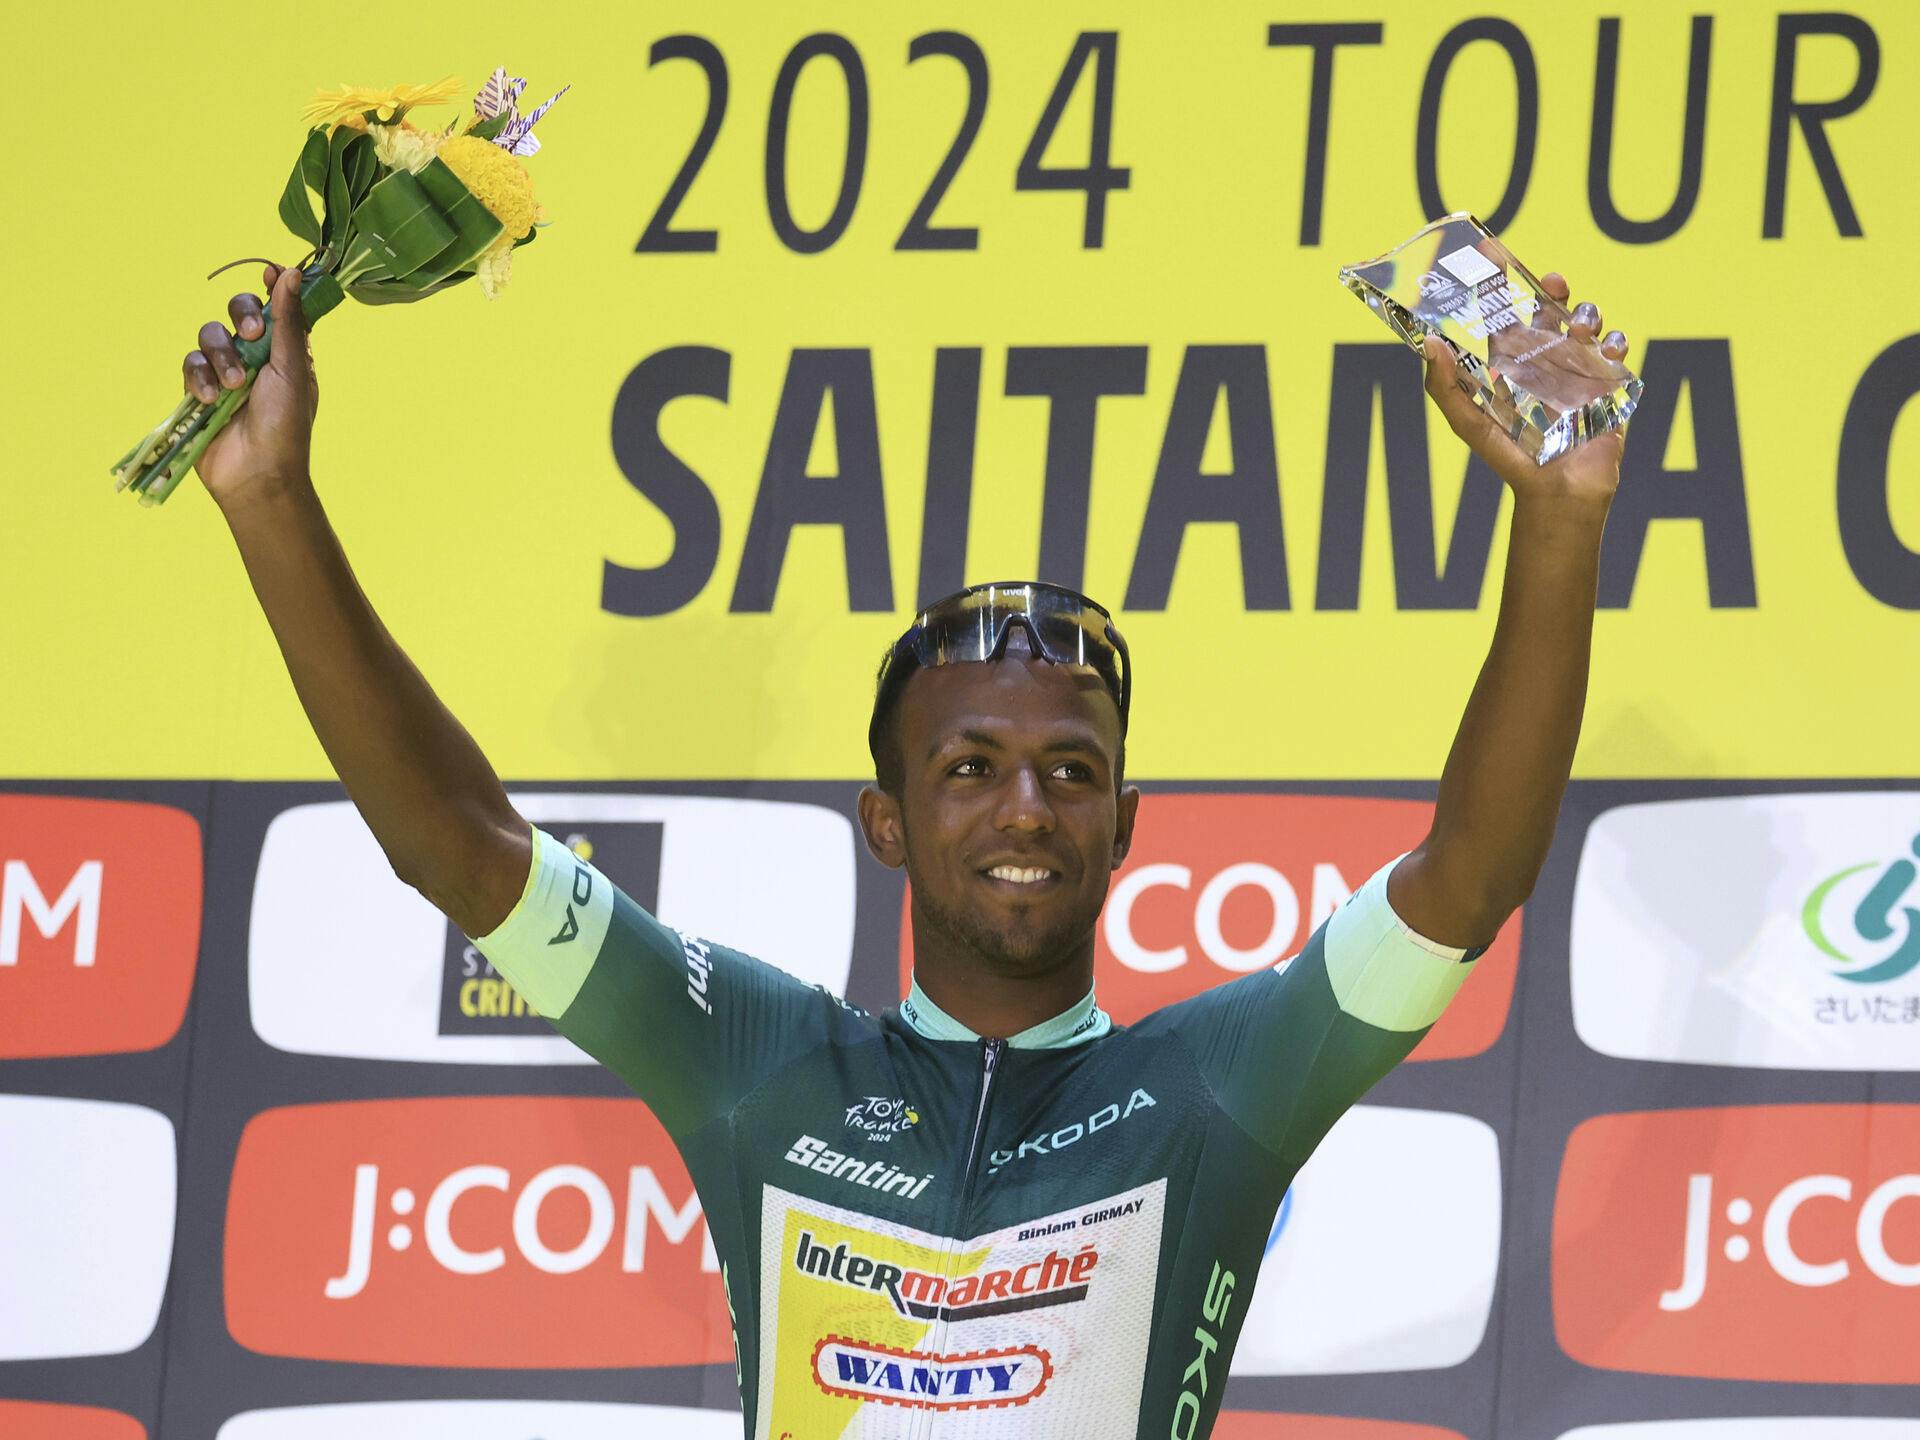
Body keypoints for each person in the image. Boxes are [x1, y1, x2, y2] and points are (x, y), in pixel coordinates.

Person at [184, 260, 1629, 1438]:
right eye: (969, 769)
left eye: (1072, 772)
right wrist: (269, 500)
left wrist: (1561, 523)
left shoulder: (1215, 1087)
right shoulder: (760, 1063)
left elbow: (1467, 882)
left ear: (1126, 827)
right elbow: (461, 845)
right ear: (886, 822)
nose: (1025, 809)